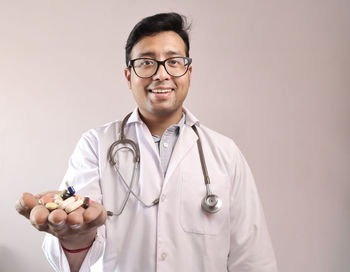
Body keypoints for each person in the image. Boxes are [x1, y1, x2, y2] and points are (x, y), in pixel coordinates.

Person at [16, 12, 278, 272]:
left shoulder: (225, 153)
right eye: (146, 62)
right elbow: (73, 251)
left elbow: (253, 259)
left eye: (174, 61)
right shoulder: (95, 145)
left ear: (188, 72)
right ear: (129, 75)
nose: (161, 74)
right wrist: (75, 239)